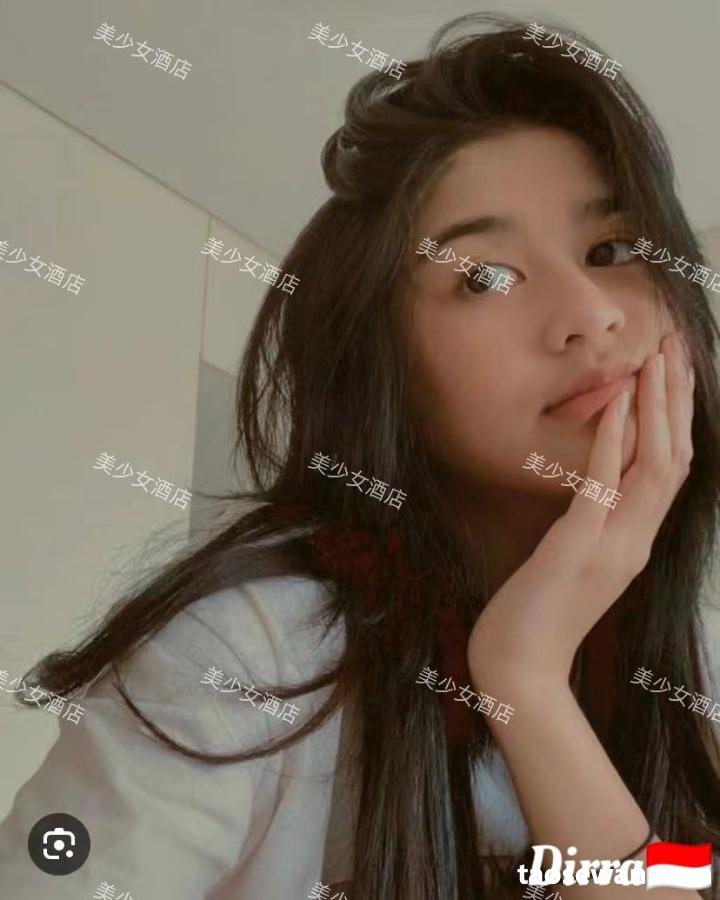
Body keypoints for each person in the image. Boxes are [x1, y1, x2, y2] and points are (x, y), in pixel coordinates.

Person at [1, 12, 719, 900]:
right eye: (485, 276)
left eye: (612, 249)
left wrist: (526, 681)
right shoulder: (256, 651)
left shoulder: (685, 668)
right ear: (385, 369)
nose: (590, 314)